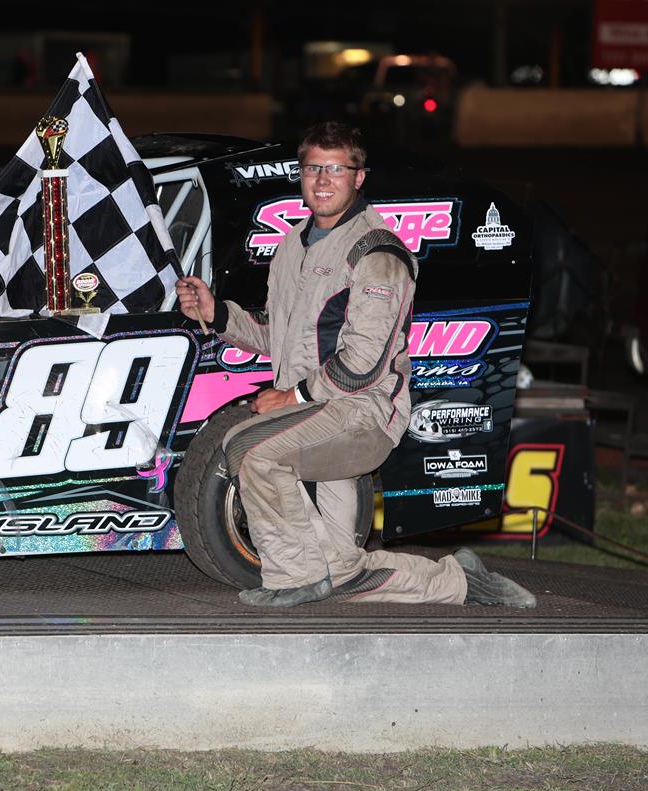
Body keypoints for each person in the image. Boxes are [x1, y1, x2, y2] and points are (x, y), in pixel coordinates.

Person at [175, 122, 535, 609]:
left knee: (249, 447)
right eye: (313, 169)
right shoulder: (292, 245)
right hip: (312, 416)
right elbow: (276, 334)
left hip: (362, 412)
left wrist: (293, 396)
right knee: (342, 571)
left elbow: (363, 362)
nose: (322, 180)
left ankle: (294, 577)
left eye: (336, 170)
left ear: (358, 177)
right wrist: (217, 313)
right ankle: (462, 581)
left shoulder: (377, 251)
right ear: (301, 175)